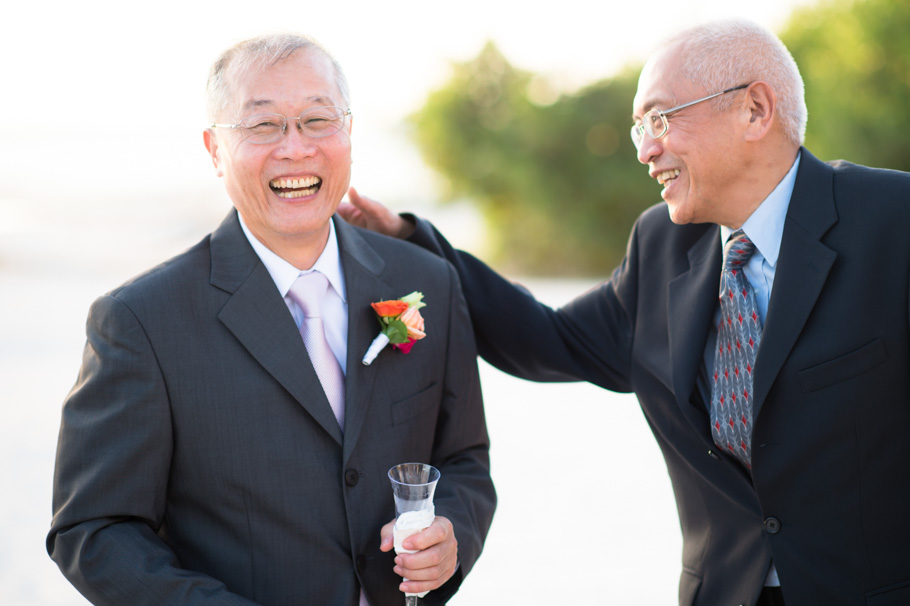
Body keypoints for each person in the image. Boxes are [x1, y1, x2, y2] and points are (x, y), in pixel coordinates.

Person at [340, 19, 910, 606]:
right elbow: (547, 338)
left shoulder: (894, 222)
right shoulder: (661, 246)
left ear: (755, 110)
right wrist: (412, 240)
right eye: (639, 126)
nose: (644, 149)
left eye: (660, 119)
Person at [47, 33, 496, 606]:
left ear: (349, 133)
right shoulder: (140, 321)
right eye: (262, 126)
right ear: (214, 149)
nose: (295, 148)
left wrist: (452, 533)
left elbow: (465, 461)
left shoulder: (427, 280)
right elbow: (93, 530)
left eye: (316, 120)